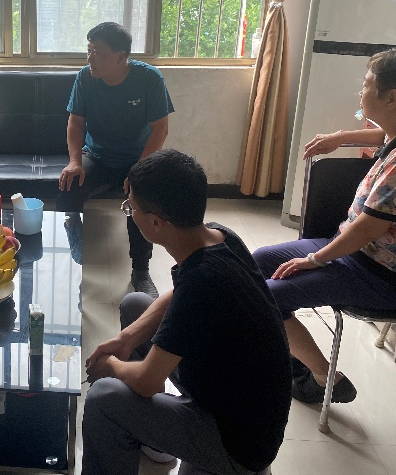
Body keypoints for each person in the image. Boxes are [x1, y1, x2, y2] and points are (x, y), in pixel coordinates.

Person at [254, 49, 396, 405]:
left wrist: (313, 260)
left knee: (267, 295)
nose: (360, 91)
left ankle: (322, 377)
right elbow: (384, 137)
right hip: (356, 254)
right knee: (258, 261)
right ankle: (290, 359)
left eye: (366, 84)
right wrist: (341, 137)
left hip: (380, 277)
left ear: (392, 98)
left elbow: (366, 230)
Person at [83, 150, 291, 475]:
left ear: (155, 222)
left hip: (237, 444)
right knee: (136, 305)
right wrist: (126, 340)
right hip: (229, 394)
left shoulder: (203, 282)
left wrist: (108, 365)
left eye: (131, 208)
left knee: (103, 398)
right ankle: (157, 444)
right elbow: (180, 293)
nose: (130, 214)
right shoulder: (219, 237)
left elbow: (147, 381)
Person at [58, 22, 173, 298]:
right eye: (88, 50)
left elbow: (160, 129)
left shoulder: (149, 79)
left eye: (97, 52)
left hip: (137, 158)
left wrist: (139, 169)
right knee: (68, 184)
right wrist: (75, 161)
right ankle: (74, 234)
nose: (90, 58)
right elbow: (75, 122)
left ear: (121, 56)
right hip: (97, 155)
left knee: (142, 196)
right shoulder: (85, 78)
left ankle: (141, 270)